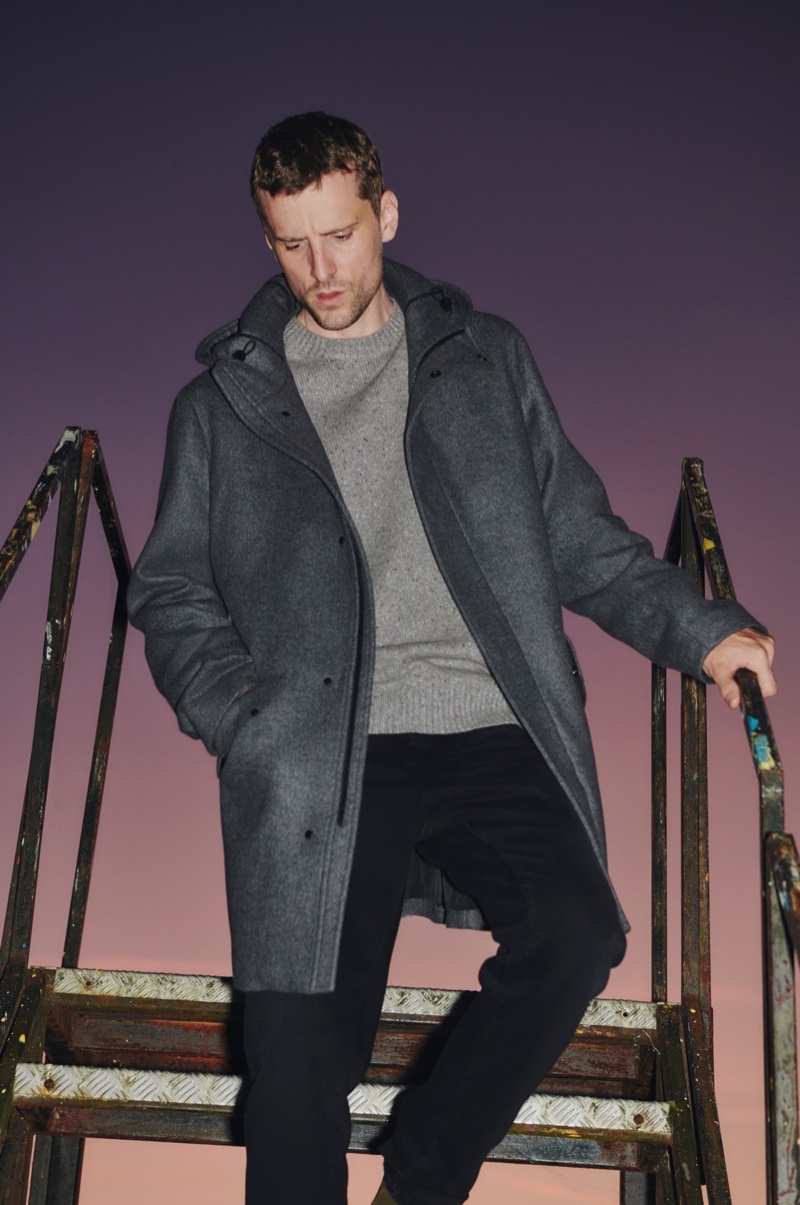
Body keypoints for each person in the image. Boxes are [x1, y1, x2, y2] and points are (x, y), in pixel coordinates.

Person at [127, 111, 777, 1205]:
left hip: (486, 725)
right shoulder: (220, 406)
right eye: (291, 244)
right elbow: (170, 590)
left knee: (577, 934)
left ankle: (419, 1178)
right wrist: (247, 718)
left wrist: (699, 628)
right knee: (297, 1059)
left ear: (385, 214)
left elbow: (577, 537)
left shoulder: (484, 360)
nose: (319, 270)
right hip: (323, 752)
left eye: (339, 235)